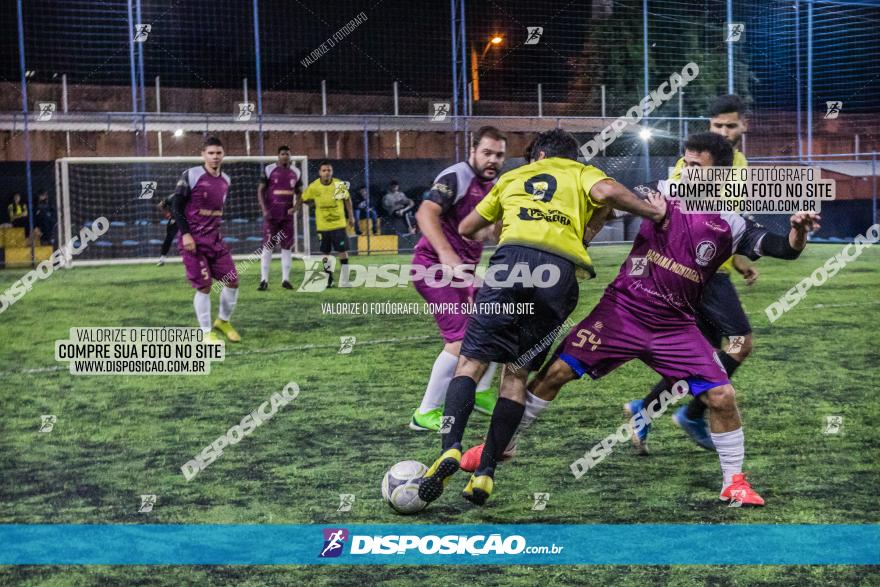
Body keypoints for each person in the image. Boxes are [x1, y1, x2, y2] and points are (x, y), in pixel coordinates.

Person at [463, 133, 820, 507]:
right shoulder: (660, 190)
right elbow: (606, 201)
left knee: (722, 395)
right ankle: (497, 446)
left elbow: (784, 249)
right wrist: (583, 232)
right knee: (554, 374)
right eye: (685, 162)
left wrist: (798, 230)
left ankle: (734, 483)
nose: (685, 170)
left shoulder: (733, 222)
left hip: (675, 326)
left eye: (696, 166)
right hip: (622, 311)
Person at [416, 128, 668, 507]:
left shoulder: (512, 177)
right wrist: (652, 210)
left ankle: (450, 447)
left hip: (512, 264)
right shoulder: (582, 174)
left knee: (470, 361)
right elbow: (607, 194)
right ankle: (485, 473)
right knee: (516, 375)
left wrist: (503, 221)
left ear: (539, 156)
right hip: (559, 276)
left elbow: (468, 227)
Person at [625, 94, 758, 453]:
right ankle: (693, 414)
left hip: (714, 266)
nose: (725, 131)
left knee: (701, 354)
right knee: (739, 343)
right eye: (718, 126)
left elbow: (727, 221)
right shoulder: (693, 166)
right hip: (698, 273)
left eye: (731, 125)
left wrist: (739, 258)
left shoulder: (739, 164)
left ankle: (644, 409)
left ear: (744, 125)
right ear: (709, 126)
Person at [409, 126, 507, 431]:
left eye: (499, 155)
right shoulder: (457, 176)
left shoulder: (496, 186)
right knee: (461, 340)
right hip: (431, 267)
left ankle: (478, 391)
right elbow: (425, 214)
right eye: (487, 153)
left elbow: (489, 232)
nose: (492, 160)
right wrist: (446, 253)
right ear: (473, 151)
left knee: (497, 322)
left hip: (463, 275)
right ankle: (424, 413)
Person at [171, 136, 240, 343]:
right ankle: (205, 332)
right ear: (203, 155)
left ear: (223, 154)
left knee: (233, 281)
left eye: (218, 153)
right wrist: (186, 234)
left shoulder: (226, 180)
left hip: (215, 241)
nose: (215, 157)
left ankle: (223, 321)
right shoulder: (191, 175)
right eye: (210, 153)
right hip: (193, 241)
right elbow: (176, 207)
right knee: (204, 286)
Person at [295, 160, 355, 288]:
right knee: (326, 253)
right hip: (323, 227)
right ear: (320, 172)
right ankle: (329, 279)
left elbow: (347, 200)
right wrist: (306, 206)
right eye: (324, 170)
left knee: (342, 251)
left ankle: (344, 280)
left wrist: (351, 216)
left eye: (329, 170)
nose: (327, 173)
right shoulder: (314, 186)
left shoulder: (338, 184)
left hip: (339, 225)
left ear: (332, 172)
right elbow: (303, 198)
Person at [257, 145, 302, 291]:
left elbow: (300, 192)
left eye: (287, 154)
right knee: (268, 246)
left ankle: (286, 280)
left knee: (287, 247)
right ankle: (264, 280)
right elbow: (260, 190)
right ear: (278, 155)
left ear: (290, 156)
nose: (285, 156)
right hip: (272, 216)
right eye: (282, 154)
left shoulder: (296, 171)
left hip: (287, 217)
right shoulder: (269, 170)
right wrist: (264, 209)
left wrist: (296, 208)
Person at [156, 196, 177, 266]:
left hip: (187, 220)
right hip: (175, 221)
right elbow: (160, 205)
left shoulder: (190, 196)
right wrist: (167, 213)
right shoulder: (172, 197)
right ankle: (162, 259)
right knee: (168, 238)